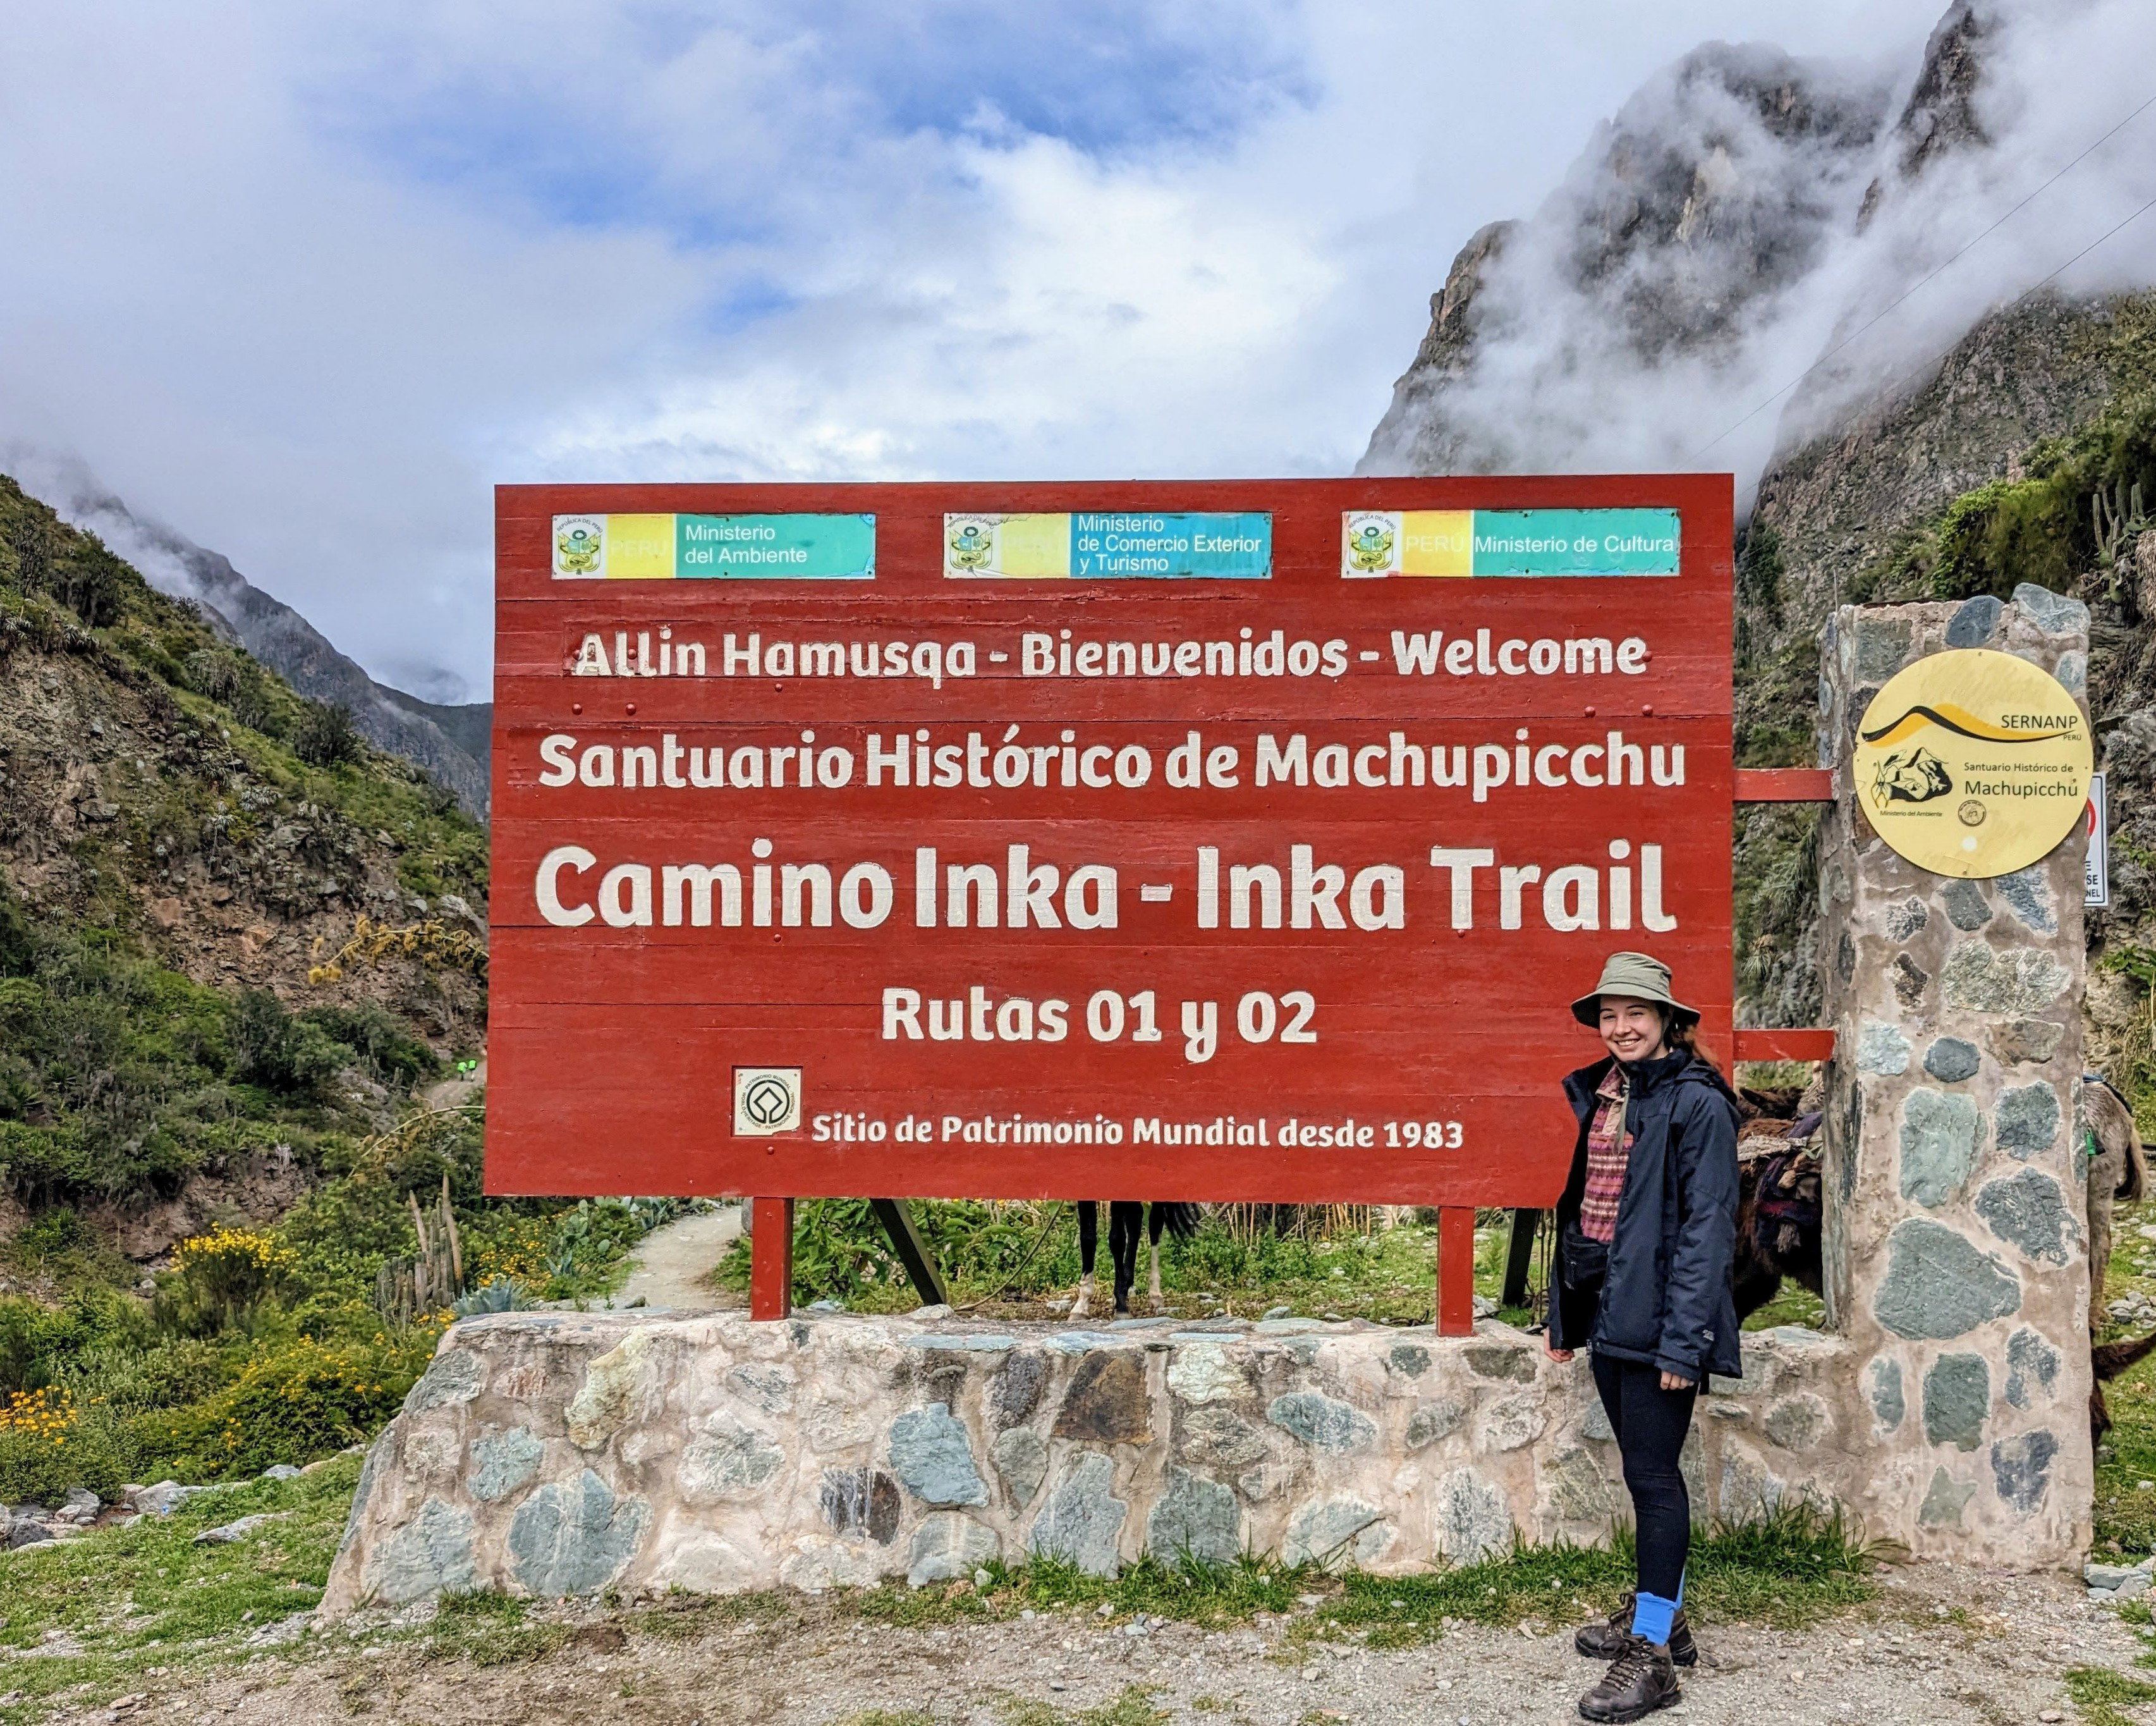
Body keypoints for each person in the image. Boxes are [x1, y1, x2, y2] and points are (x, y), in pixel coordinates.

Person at [1545, 952, 1741, 1723]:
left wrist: (1684, 1342)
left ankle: (1652, 1657)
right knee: (1638, 1470)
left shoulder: (1699, 1105)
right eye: (1609, 1015)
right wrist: (1564, 1314)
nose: (1620, 1027)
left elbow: (1707, 1229)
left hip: (1662, 1319)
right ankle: (1667, 1618)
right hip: (1606, 1307)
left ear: (1668, 1021)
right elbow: (1586, 1214)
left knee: (1656, 1479)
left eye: (1636, 1013)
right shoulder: (1605, 1092)